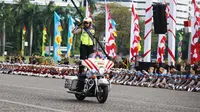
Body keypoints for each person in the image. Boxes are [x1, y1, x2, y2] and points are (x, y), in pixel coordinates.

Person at [72, 17, 95, 92]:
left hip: (91, 46)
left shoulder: (93, 29)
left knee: (90, 61)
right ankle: (81, 73)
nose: (86, 24)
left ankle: (90, 73)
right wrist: (78, 25)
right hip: (83, 46)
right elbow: (73, 32)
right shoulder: (82, 29)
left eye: (87, 23)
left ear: (90, 23)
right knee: (83, 61)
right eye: (85, 22)